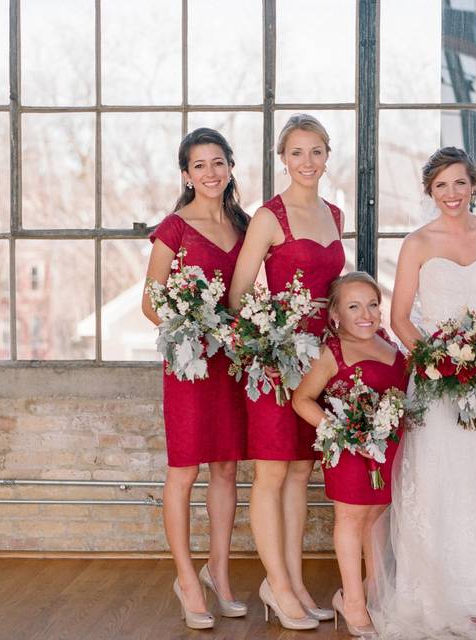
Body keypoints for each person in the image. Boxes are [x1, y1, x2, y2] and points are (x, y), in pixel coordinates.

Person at [367, 147, 476, 639]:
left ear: (474, 185)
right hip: (433, 379)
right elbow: (399, 318)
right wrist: (438, 362)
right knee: (435, 475)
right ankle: (427, 590)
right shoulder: (417, 243)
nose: (452, 194)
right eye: (442, 185)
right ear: (430, 191)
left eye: (460, 183)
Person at [228, 114, 346, 630]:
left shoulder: (335, 213)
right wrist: (271, 332)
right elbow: (237, 293)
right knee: (272, 471)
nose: (307, 161)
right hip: (276, 357)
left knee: (302, 470)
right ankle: (275, 584)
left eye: (316, 151)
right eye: (297, 152)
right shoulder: (268, 217)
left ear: (327, 155)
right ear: (283, 158)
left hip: (320, 356)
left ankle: (294, 583)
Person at [141, 128, 249, 630]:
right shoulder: (173, 229)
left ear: (230, 168)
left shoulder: (245, 226)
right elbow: (151, 302)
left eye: (218, 163)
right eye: (199, 165)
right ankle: (186, 578)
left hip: (231, 364)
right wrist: (195, 331)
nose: (210, 173)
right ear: (186, 174)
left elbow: (246, 295)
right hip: (190, 364)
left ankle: (219, 574)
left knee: (226, 469)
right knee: (184, 470)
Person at [293, 272, 407, 638]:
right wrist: (340, 432)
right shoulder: (333, 352)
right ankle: (353, 603)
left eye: (373, 305)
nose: (366, 314)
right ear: (336, 315)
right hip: (349, 449)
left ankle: (371, 593)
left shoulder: (390, 346)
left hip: (387, 449)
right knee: (351, 517)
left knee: (376, 516)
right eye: (354, 306)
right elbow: (302, 399)